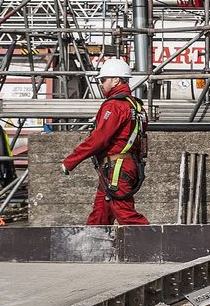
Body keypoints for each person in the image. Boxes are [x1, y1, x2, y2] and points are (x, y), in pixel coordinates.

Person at [61, 59, 150, 225]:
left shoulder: (115, 106)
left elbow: (98, 139)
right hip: (124, 166)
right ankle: (92, 249)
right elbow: (141, 140)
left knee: (126, 215)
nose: (101, 84)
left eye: (103, 80)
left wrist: (70, 161)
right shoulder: (137, 107)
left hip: (116, 167)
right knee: (100, 216)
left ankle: (154, 246)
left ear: (116, 80)